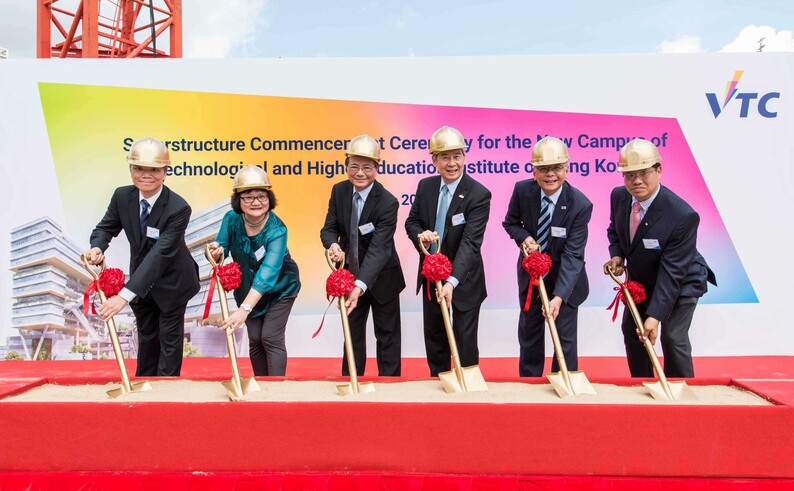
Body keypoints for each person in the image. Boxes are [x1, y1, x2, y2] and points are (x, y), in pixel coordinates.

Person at [85, 136, 200, 376]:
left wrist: (124, 296)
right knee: (147, 335)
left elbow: (160, 255)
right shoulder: (121, 197)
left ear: (165, 172)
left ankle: (166, 395)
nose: (146, 175)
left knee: (168, 340)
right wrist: (97, 247)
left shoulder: (178, 208)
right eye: (139, 168)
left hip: (172, 281)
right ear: (130, 170)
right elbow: (105, 228)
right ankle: (144, 387)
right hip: (142, 280)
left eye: (154, 170)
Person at [604, 138, 716, 378]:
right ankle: (642, 386)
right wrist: (617, 255)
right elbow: (615, 230)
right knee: (633, 330)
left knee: (673, 336)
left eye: (644, 173)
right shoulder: (619, 197)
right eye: (629, 174)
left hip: (682, 280)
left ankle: (681, 392)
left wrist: (654, 317)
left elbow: (672, 274)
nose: (636, 181)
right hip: (644, 280)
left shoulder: (682, 215)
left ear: (659, 171)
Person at [405, 126, 491, 377]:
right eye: (445, 157)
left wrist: (452, 281)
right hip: (432, 275)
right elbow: (411, 222)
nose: (452, 163)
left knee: (464, 341)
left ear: (465, 156)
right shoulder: (426, 187)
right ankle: (437, 384)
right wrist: (420, 235)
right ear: (434, 160)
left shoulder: (478, 194)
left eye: (457, 156)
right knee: (435, 335)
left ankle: (467, 391)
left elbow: (470, 244)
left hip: (464, 279)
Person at [502, 137, 592, 377]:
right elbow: (510, 222)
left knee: (564, 340)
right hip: (531, 279)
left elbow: (574, 255)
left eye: (556, 168)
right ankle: (529, 389)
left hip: (567, 283)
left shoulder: (580, 205)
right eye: (543, 169)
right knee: (529, 336)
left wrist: (559, 297)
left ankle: (563, 385)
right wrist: (524, 238)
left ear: (567, 169)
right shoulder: (523, 190)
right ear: (534, 171)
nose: (550, 175)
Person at [321, 134, 405, 376]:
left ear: (377, 168)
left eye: (367, 167)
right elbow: (329, 228)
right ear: (346, 165)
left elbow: (380, 248)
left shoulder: (388, 202)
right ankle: (352, 385)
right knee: (352, 336)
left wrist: (360, 285)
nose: (360, 173)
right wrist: (332, 245)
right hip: (349, 277)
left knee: (387, 337)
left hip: (383, 279)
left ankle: (390, 389)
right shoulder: (339, 191)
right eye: (354, 166)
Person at [208, 166, 300, 377]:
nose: (256, 202)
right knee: (255, 337)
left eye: (261, 196)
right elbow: (221, 246)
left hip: (280, 288)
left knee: (270, 336)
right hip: (247, 287)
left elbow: (268, 272)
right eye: (248, 197)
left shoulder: (277, 230)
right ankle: (261, 386)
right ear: (238, 200)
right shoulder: (231, 219)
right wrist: (216, 251)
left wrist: (244, 309)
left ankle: (276, 391)